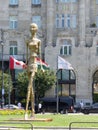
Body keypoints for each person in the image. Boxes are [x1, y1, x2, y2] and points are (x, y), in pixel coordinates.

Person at [25, 23, 41, 118]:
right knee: (31, 89)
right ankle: (33, 111)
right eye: (31, 27)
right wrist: (25, 64)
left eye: (34, 27)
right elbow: (27, 54)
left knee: (29, 85)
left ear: (36, 29)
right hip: (29, 63)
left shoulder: (38, 41)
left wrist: (42, 67)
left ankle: (27, 111)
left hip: (34, 63)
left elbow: (40, 54)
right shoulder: (27, 41)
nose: (32, 29)